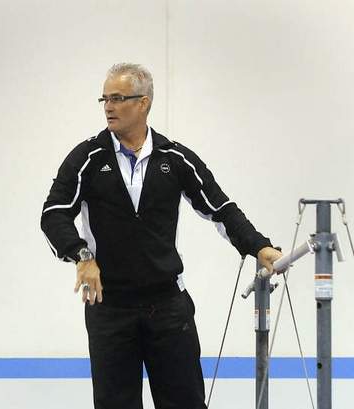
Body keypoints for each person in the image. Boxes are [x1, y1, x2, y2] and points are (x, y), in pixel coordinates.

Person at [40, 63, 282, 409]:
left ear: (144, 103)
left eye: (118, 98)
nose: (108, 106)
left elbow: (221, 208)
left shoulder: (175, 157)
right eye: (105, 99)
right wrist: (82, 255)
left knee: (185, 402)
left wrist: (259, 247)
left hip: (168, 307)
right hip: (110, 308)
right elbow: (54, 214)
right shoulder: (87, 158)